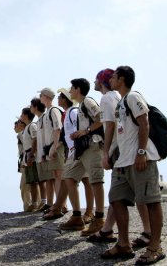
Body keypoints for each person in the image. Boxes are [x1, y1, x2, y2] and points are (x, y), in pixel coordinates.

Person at [101, 66, 165, 265]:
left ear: (121, 78)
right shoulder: (121, 102)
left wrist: (141, 152)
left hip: (140, 159)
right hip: (123, 161)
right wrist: (111, 154)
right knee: (116, 198)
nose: (110, 79)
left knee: (151, 201)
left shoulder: (133, 96)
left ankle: (155, 247)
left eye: (113, 77)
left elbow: (144, 122)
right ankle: (123, 244)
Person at [87, 69, 151, 244]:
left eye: (96, 79)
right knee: (120, 194)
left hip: (120, 150)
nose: (94, 82)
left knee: (124, 194)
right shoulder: (118, 98)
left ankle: (146, 232)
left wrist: (106, 153)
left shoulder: (107, 98)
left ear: (101, 81)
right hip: (124, 149)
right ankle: (109, 229)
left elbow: (109, 127)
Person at [59, 78, 105, 232]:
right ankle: (77, 216)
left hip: (92, 145)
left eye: (71, 88)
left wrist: (85, 131)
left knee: (96, 181)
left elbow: (101, 118)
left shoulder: (88, 102)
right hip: (82, 149)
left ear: (78, 89)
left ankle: (99, 218)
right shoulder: (79, 107)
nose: (70, 91)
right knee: (69, 177)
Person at [43, 88, 94, 222]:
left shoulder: (73, 112)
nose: (58, 99)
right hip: (72, 151)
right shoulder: (67, 113)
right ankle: (58, 207)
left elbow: (78, 129)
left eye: (60, 97)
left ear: (64, 99)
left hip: (80, 150)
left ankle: (89, 212)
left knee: (86, 180)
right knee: (68, 178)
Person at [38, 87, 65, 214]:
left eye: (41, 95)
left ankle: (61, 205)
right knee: (56, 175)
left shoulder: (54, 110)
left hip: (56, 147)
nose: (40, 98)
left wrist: (54, 147)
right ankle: (59, 204)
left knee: (59, 175)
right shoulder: (48, 112)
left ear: (47, 97)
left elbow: (58, 129)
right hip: (51, 147)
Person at [29, 97, 50, 211]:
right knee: (43, 179)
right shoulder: (39, 120)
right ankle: (45, 202)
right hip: (41, 154)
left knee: (49, 179)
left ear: (36, 106)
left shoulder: (45, 117)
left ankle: (48, 202)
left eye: (32, 105)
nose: (31, 108)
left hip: (46, 153)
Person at [19, 108, 40, 212]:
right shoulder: (27, 127)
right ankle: (34, 203)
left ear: (26, 115)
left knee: (35, 181)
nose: (21, 116)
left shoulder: (32, 126)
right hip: (27, 156)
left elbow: (35, 139)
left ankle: (36, 203)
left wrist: (32, 155)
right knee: (31, 181)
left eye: (22, 114)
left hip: (31, 155)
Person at [15, 118, 32, 211]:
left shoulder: (23, 134)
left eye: (16, 124)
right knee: (26, 185)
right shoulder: (21, 134)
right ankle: (29, 206)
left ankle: (28, 207)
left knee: (25, 185)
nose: (14, 126)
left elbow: (27, 148)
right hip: (25, 161)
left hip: (27, 161)